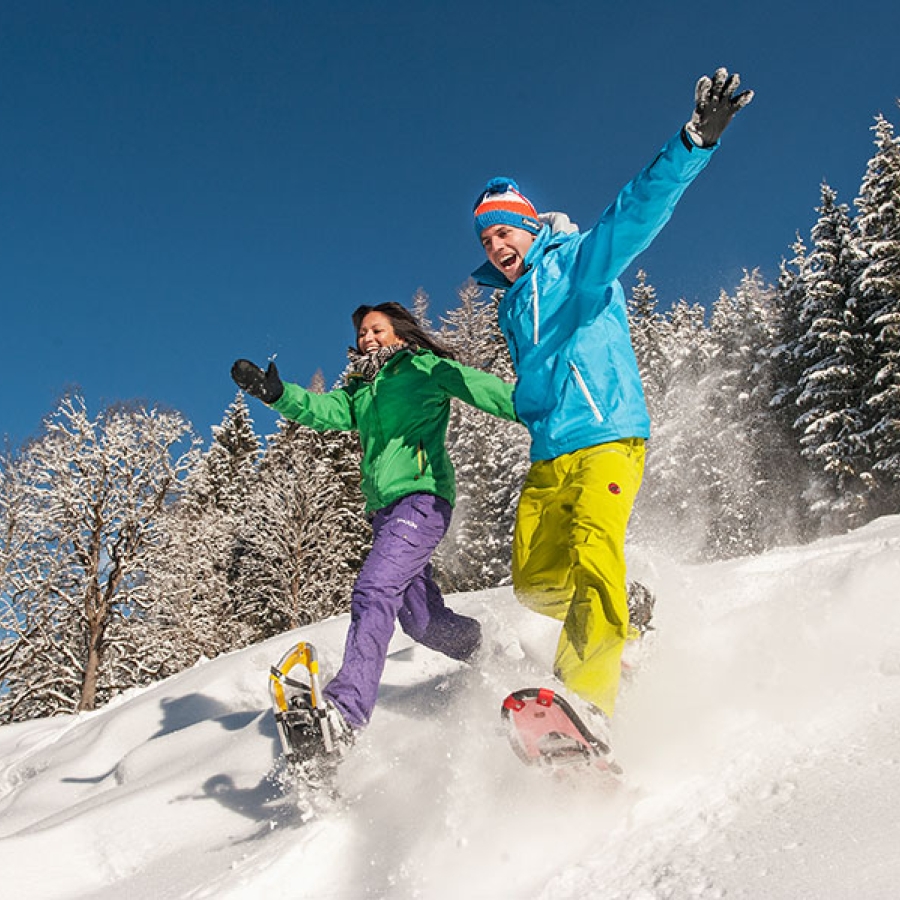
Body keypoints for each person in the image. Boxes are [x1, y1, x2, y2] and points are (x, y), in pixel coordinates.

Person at [469, 68, 754, 733]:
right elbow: (527, 389)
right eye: (485, 241)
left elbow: (635, 212)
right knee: (536, 583)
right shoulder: (513, 308)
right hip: (550, 457)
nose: (496, 246)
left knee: (597, 554)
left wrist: (693, 143)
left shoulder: (577, 264)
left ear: (528, 226)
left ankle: (587, 701)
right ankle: (623, 610)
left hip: (607, 440)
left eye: (503, 232)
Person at [231, 302, 518, 750]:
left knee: (374, 590)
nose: (367, 337)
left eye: (377, 329)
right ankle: (490, 654)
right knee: (422, 623)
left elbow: (482, 388)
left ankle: (345, 713)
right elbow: (322, 411)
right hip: (384, 513)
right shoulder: (361, 391)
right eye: (362, 332)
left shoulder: (425, 367)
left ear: (400, 334)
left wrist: (541, 410)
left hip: (422, 498)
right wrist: (276, 394)